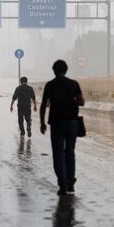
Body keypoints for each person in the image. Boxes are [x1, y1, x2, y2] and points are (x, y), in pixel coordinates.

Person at [40, 60, 85, 195]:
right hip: (72, 123)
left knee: (58, 153)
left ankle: (63, 183)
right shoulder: (74, 84)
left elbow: (43, 105)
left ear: (54, 70)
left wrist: (42, 123)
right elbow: (82, 102)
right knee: (70, 152)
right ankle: (71, 182)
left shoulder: (50, 85)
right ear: (66, 70)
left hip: (56, 123)